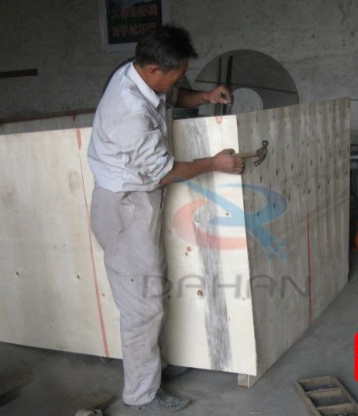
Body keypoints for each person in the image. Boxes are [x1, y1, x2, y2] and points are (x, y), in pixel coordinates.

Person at [87, 24, 244, 412]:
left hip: (138, 201)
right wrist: (214, 164)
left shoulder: (137, 72)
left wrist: (205, 96)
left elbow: (172, 95)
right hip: (126, 207)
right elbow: (164, 172)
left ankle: (152, 367)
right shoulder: (129, 112)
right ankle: (141, 395)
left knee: (151, 291)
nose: (179, 79)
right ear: (153, 69)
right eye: (177, 73)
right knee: (142, 306)